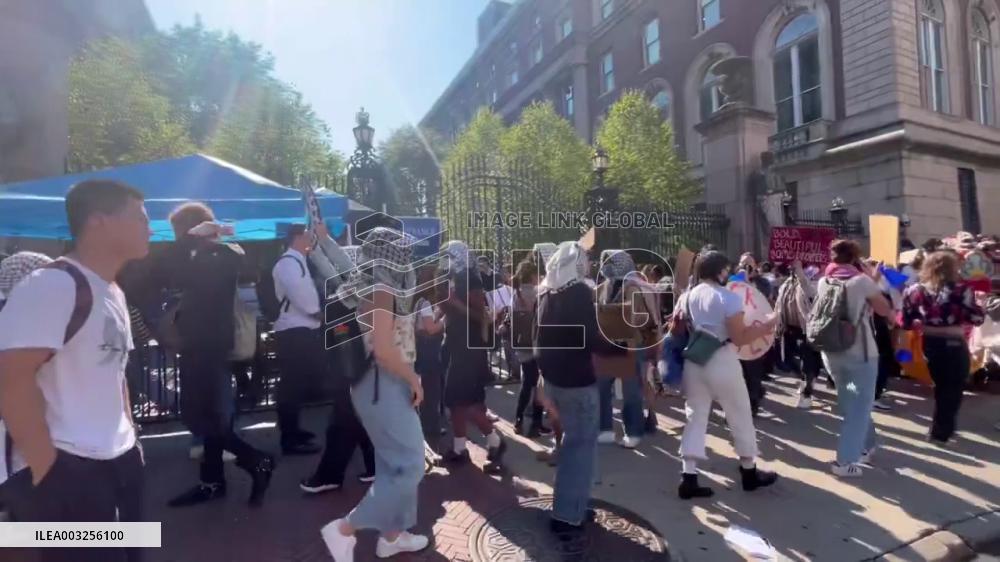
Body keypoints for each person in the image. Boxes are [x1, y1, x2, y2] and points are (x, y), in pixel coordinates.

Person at [0, 179, 149, 562]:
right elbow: (12, 378)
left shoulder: (113, 290)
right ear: (98, 222)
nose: (148, 226)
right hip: (69, 467)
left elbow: (116, 374)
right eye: (138, 217)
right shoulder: (52, 285)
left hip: (121, 460)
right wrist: (46, 468)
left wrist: (130, 438)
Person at [147, 202, 274, 507]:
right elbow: (165, 271)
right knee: (205, 417)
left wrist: (195, 238)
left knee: (203, 416)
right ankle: (213, 480)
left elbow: (164, 268)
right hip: (199, 343)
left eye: (180, 232)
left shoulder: (223, 254)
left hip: (210, 345)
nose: (176, 238)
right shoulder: (202, 256)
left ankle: (255, 460)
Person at [321, 227, 429, 561]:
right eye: (397, 248)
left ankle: (392, 536)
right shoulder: (380, 288)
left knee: (390, 467)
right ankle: (343, 530)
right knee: (411, 465)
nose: (404, 254)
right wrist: (414, 378)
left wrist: (324, 239)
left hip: (378, 385)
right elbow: (383, 348)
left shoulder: (370, 282)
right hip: (384, 383)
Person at [674, 251, 779, 499]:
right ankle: (749, 472)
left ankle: (688, 477)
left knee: (695, 417)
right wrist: (766, 326)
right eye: (725, 269)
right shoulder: (728, 298)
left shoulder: (687, 296)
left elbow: (678, 327)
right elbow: (740, 337)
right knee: (739, 413)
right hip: (722, 360)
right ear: (720, 271)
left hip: (695, 361)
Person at [534, 241, 613, 536]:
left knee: (573, 447)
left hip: (554, 381)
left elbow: (537, 337)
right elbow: (591, 338)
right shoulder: (579, 292)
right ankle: (567, 514)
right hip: (578, 383)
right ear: (576, 265)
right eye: (585, 261)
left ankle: (575, 504)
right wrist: (621, 348)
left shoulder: (545, 293)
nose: (589, 265)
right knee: (579, 450)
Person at [817, 240, 892, 477]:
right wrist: (872, 278)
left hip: (833, 356)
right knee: (861, 406)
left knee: (852, 399)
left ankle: (867, 446)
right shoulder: (861, 281)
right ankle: (844, 462)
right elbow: (884, 310)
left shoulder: (824, 281)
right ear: (855, 258)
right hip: (860, 356)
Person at [902, 250, 984, 446]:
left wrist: (924, 324)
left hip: (930, 343)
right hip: (954, 343)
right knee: (953, 389)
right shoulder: (961, 290)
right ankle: (941, 433)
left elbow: (905, 320)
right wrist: (980, 304)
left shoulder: (914, 291)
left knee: (941, 387)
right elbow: (977, 318)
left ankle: (940, 429)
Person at [437, 240, 507, 470]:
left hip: (469, 350)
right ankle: (459, 447)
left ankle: (495, 440)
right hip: (456, 345)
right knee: (455, 400)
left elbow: (483, 317)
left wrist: (455, 304)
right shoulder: (452, 278)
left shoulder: (471, 279)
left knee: (465, 402)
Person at [272, 224, 324, 455]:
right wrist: (316, 312)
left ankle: (294, 430)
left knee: (298, 384)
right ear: (297, 237)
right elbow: (299, 292)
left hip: (301, 330)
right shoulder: (288, 263)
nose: (312, 240)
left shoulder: (297, 261)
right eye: (308, 236)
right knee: (292, 386)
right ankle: (289, 438)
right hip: (295, 331)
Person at [595, 250, 652, 449]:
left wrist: (619, 313)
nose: (605, 266)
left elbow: (639, 317)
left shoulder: (634, 287)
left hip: (628, 345)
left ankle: (634, 432)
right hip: (606, 346)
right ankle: (605, 429)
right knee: (601, 389)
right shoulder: (602, 287)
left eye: (609, 262)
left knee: (631, 392)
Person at [511, 260, 550, 437]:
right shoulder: (539, 292)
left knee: (527, 383)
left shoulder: (516, 293)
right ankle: (536, 423)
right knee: (539, 384)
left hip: (521, 342)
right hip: (537, 341)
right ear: (533, 275)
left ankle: (518, 420)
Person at [776, 261, 822, 409]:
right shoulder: (786, 284)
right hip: (788, 329)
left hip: (806, 330)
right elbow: (778, 305)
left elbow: (808, 290)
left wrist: (801, 272)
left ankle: (807, 394)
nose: (792, 269)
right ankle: (806, 379)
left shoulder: (812, 281)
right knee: (788, 360)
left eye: (795, 267)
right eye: (791, 267)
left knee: (807, 363)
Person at [414, 264, 446, 449]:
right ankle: (431, 426)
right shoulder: (425, 302)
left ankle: (428, 424)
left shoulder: (418, 301)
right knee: (431, 389)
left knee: (429, 386)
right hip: (428, 347)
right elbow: (430, 327)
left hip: (422, 346)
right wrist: (443, 320)